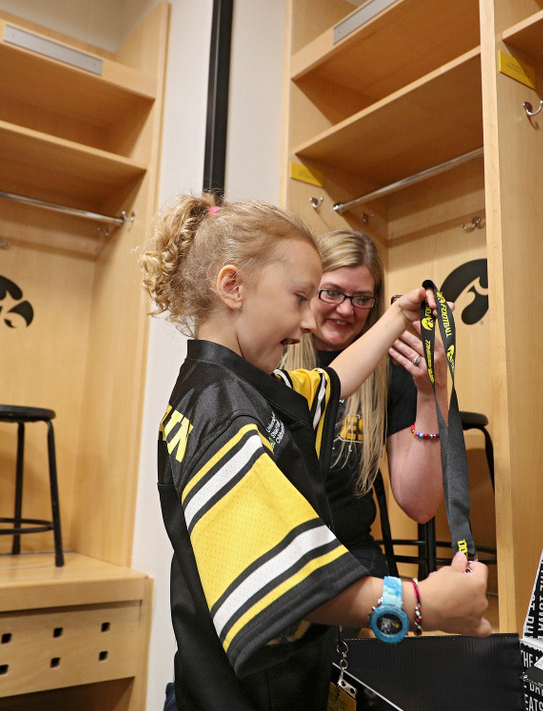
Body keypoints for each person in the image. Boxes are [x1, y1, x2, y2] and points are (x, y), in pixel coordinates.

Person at [140, 194, 491, 711]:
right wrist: (422, 605)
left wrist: (396, 318)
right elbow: (282, 585)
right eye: (302, 297)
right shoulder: (228, 414)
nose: (310, 321)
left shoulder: (238, 384)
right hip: (246, 695)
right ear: (232, 286)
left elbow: (333, 381)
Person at [281, 229, 447, 579]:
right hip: (277, 549)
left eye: (361, 299)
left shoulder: (389, 369)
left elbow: (420, 506)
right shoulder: (273, 354)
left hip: (348, 549)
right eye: (332, 293)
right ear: (309, 288)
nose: (345, 309)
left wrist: (432, 394)